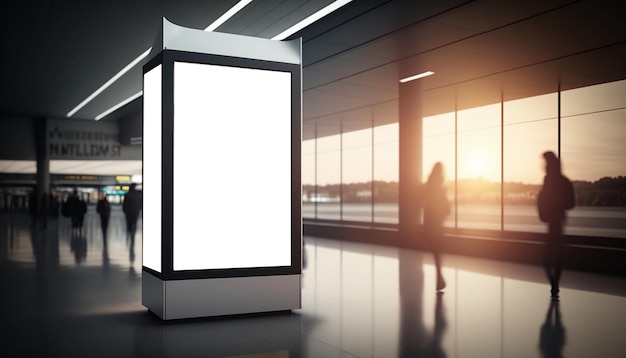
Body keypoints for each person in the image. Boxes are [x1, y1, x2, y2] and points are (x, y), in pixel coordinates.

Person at [537, 151, 575, 300]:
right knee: (555, 254)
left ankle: (554, 283)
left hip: (554, 221)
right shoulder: (559, 180)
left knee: (548, 256)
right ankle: (555, 283)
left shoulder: (550, 180)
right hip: (557, 221)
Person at [423, 162, 450, 292]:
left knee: (435, 251)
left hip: (429, 222)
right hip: (436, 223)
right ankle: (439, 278)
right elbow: (444, 205)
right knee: (437, 252)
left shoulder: (429, 183)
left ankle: (439, 279)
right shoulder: (439, 183)